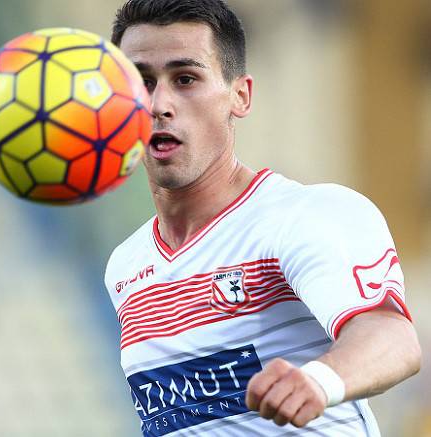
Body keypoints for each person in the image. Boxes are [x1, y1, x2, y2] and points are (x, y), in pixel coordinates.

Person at [104, 0, 422, 435]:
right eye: (141, 82)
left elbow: (391, 340)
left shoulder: (303, 216)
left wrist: (318, 380)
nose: (160, 104)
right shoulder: (126, 266)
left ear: (240, 95)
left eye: (185, 79)